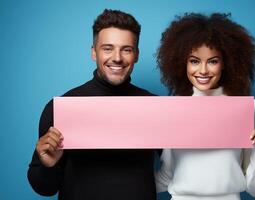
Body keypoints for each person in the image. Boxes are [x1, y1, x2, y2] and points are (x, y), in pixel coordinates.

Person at [27, 9, 158, 200]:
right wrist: (49, 165)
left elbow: (182, 169)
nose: (117, 57)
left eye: (126, 49)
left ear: (136, 55)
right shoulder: (61, 107)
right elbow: (44, 189)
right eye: (107, 48)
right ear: (93, 53)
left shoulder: (156, 107)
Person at [155, 13, 255, 200]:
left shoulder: (250, 108)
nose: (203, 70)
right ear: (182, 63)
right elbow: (167, 175)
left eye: (213, 61)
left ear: (226, 63)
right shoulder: (172, 110)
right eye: (194, 61)